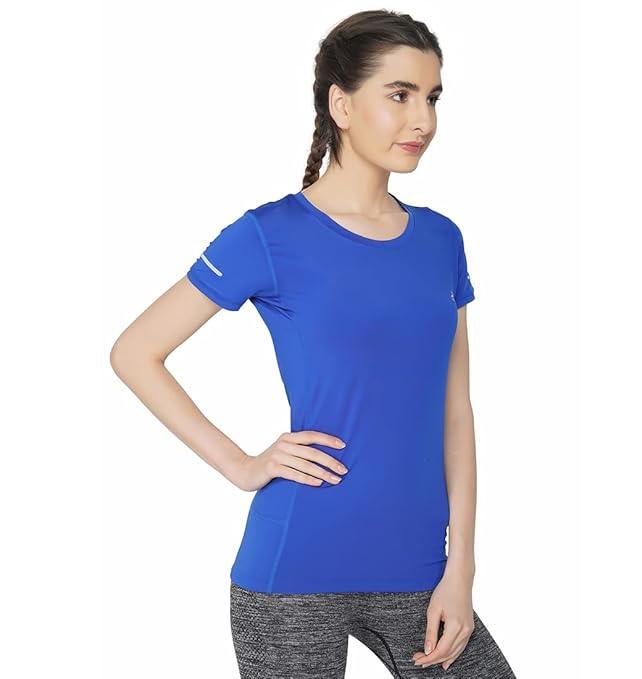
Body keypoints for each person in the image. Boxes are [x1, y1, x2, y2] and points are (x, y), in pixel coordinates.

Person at [110, 9, 517, 678]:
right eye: (399, 94)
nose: (422, 119)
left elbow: (455, 411)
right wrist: (242, 464)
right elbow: (135, 352)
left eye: (432, 97)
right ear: (341, 104)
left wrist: (461, 567)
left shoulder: (441, 240)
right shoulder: (268, 235)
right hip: (294, 570)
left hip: (421, 570)